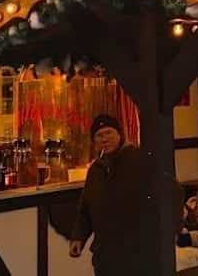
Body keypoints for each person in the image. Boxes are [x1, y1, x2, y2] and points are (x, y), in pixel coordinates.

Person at [69, 115, 143, 275]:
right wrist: (78, 237)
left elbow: (167, 194)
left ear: (119, 134)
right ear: (94, 142)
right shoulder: (96, 170)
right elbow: (86, 209)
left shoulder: (139, 160)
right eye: (99, 135)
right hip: (105, 256)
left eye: (109, 133)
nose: (104, 139)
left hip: (135, 253)